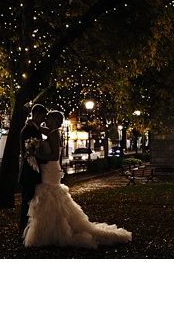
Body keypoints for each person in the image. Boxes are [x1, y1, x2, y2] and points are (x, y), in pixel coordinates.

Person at [22, 110, 132, 248]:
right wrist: (31, 123)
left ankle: (52, 233)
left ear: (55, 120)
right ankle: (50, 231)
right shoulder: (50, 131)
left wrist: (37, 156)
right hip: (48, 170)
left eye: (48, 118)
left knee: (50, 196)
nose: (45, 119)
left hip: (50, 170)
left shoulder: (54, 134)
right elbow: (40, 128)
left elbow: (55, 156)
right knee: (49, 199)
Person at [18, 104, 48, 240]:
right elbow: (29, 153)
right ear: (36, 115)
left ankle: (28, 231)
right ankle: (23, 233)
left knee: (30, 204)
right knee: (27, 204)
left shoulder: (33, 128)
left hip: (31, 173)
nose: (43, 119)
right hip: (29, 173)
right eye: (42, 116)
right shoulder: (29, 130)